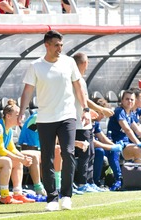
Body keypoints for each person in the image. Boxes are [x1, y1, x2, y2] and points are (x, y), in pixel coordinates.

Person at [18, 30, 90, 211]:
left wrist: (86, 109)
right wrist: (21, 112)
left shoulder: (69, 62)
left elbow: (78, 86)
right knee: (47, 157)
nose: (60, 48)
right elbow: (27, 91)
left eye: (61, 45)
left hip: (67, 116)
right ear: (47, 45)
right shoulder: (35, 66)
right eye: (56, 45)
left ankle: (66, 195)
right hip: (45, 119)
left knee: (67, 152)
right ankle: (51, 198)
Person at [72, 52, 114, 193]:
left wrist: (90, 111)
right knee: (84, 154)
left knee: (91, 153)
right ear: (84, 63)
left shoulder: (80, 79)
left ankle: (90, 182)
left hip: (86, 122)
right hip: (79, 123)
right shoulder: (76, 79)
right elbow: (84, 98)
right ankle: (82, 183)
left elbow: (82, 101)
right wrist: (101, 109)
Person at [107, 90, 141, 190]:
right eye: (127, 99)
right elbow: (127, 130)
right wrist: (138, 142)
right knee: (138, 149)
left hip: (127, 145)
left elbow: (138, 130)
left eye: (132, 99)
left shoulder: (130, 114)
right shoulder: (119, 111)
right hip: (117, 145)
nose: (129, 101)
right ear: (122, 100)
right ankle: (140, 180)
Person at [91, 98, 123, 187]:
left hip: (91, 148)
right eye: (101, 113)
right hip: (81, 148)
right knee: (100, 151)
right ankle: (95, 182)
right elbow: (93, 142)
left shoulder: (96, 123)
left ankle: (118, 179)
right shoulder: (86, 121)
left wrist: (114, 146)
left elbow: (102, 138)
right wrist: (111, 147)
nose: (102, 117)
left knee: (112, 151)